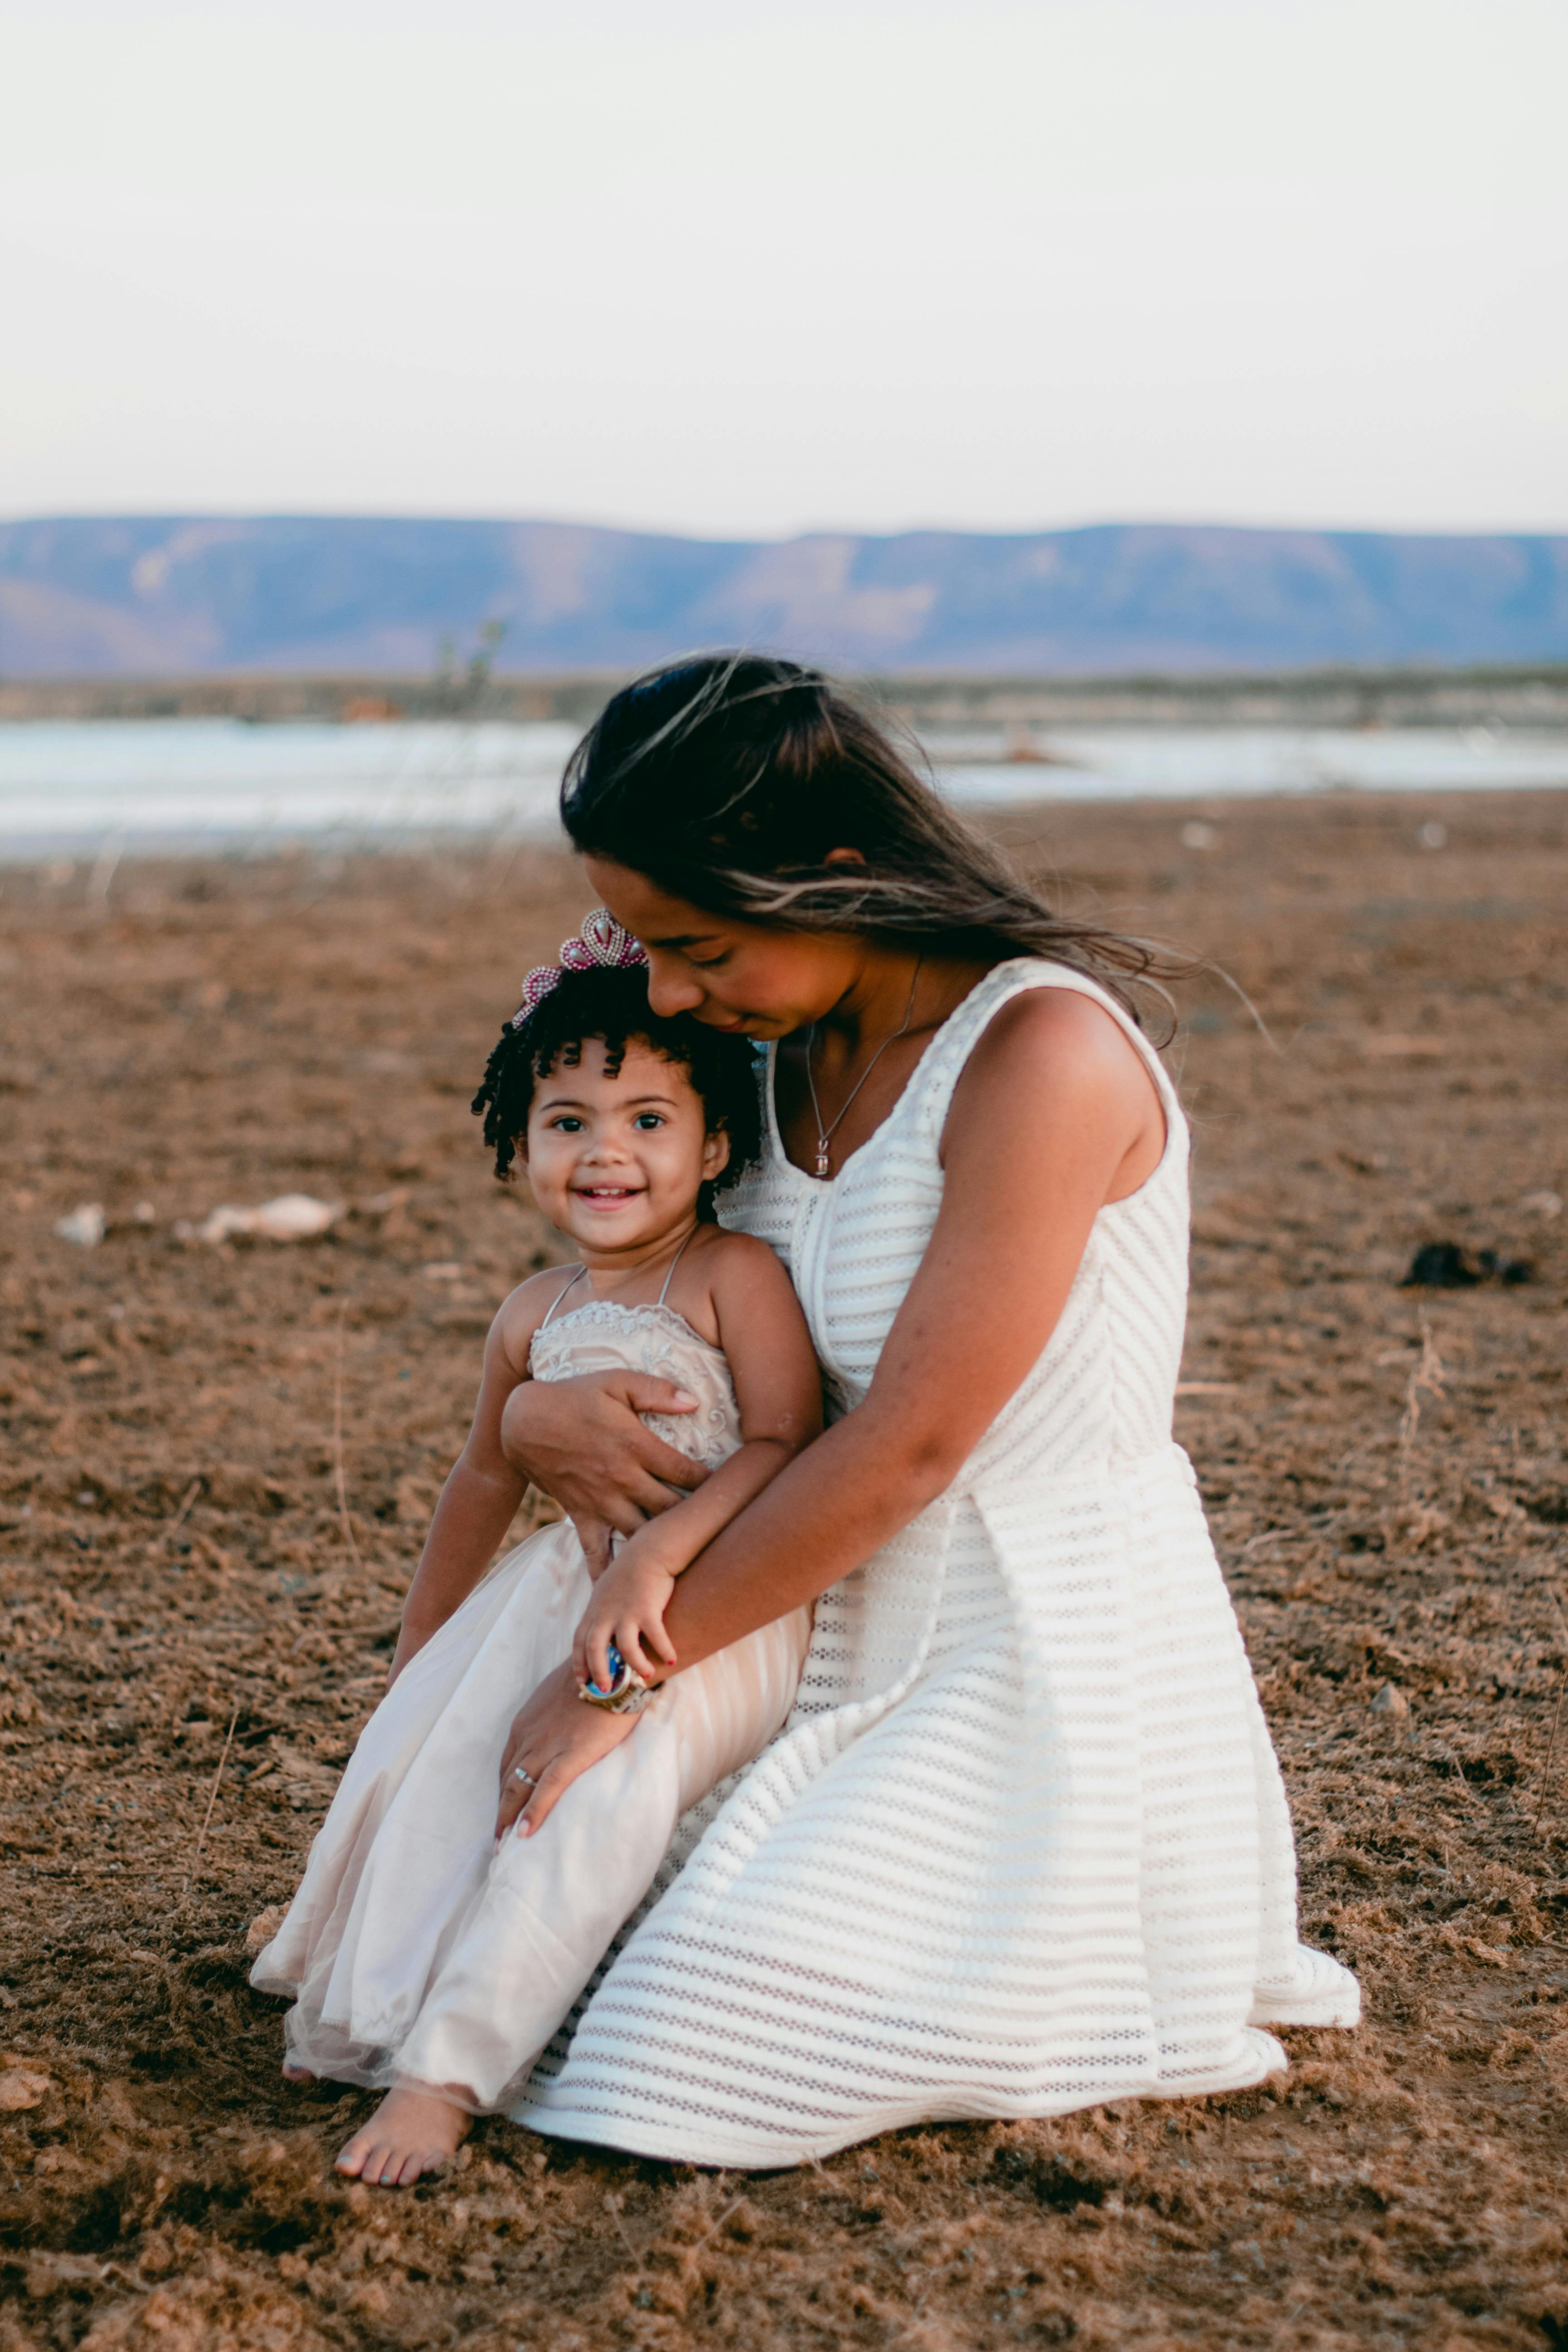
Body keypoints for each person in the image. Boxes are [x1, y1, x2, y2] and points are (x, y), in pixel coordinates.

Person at [488, 652, 1360, 2170]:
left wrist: (622, 1683)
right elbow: (661, 1302)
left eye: (695, 944)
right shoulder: (766, 1059)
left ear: (834, 876)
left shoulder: (1043, 1054)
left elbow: (912, 1446)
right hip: (785, 1621)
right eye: (639, 943)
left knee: (679, 2056)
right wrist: (526, 1425)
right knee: (494, 1957)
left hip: (1016, 1654)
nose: (667, 992)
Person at [250, 911, 821, 2185]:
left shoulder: (731, 1278)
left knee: (585, 1805)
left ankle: (445, 2077)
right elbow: (480, 1479)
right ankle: (376, 2004)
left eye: (648, 1122)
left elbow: (783, 1443)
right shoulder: (532, 1312)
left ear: (716, 1143)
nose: (605, 1152)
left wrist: (654, 1560)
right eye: (567, 1123)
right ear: (517, 1148)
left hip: (705, 1603)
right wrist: (420, 1654)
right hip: (552, 1593)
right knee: (438, 1763)